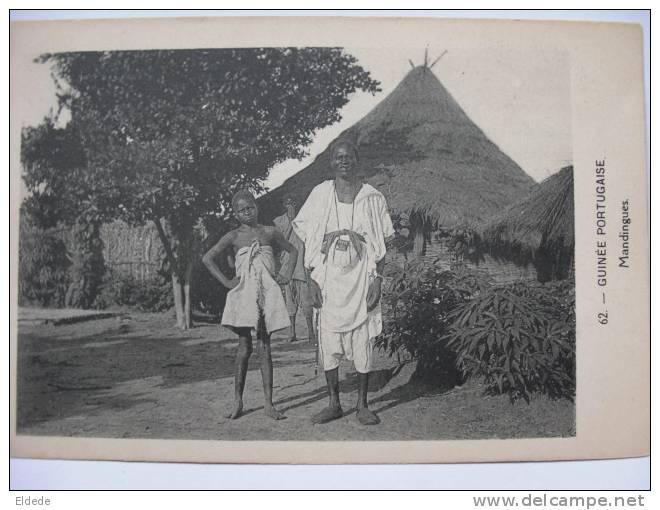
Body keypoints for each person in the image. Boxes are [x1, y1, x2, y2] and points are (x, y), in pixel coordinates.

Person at [292, 139, 395, 426]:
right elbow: (306, 240)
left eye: (349, 157)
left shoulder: (373, 197)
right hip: (328, 280)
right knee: (329, 340)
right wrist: (311, 278)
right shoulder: (320, 194)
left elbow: (382, 243)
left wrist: (379, 280)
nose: (344, 161)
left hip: (362, 279)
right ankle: (334, 403)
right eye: (338, 157)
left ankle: (362, 405)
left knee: (362, 341)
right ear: (331, 162)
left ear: (357, 160)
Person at [202, 190, 298, 421]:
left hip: (266, 294)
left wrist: (285, 273)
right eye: (242, 210)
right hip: (245, 295)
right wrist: (227, 281)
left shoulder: (270, 232)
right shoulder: (233, 236)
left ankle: (268, 403)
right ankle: (238, 401)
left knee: (265, 346)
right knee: (244, 347)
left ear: (257, 207)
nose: (248, 212)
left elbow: (293, 250)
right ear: (236, 214)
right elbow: (208, 258)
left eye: (251, 207)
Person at [273, 198, 316, 343]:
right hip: (287, 266)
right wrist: (292, 223)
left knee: (306, 302)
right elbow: (279, 240)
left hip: (302, 266)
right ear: (284, 205)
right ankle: (292, 333)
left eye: (293, 203)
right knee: (289, 303)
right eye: (288, 203)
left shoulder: (304, 219)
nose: (291, 206)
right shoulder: (279, 222)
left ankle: (311, 332)